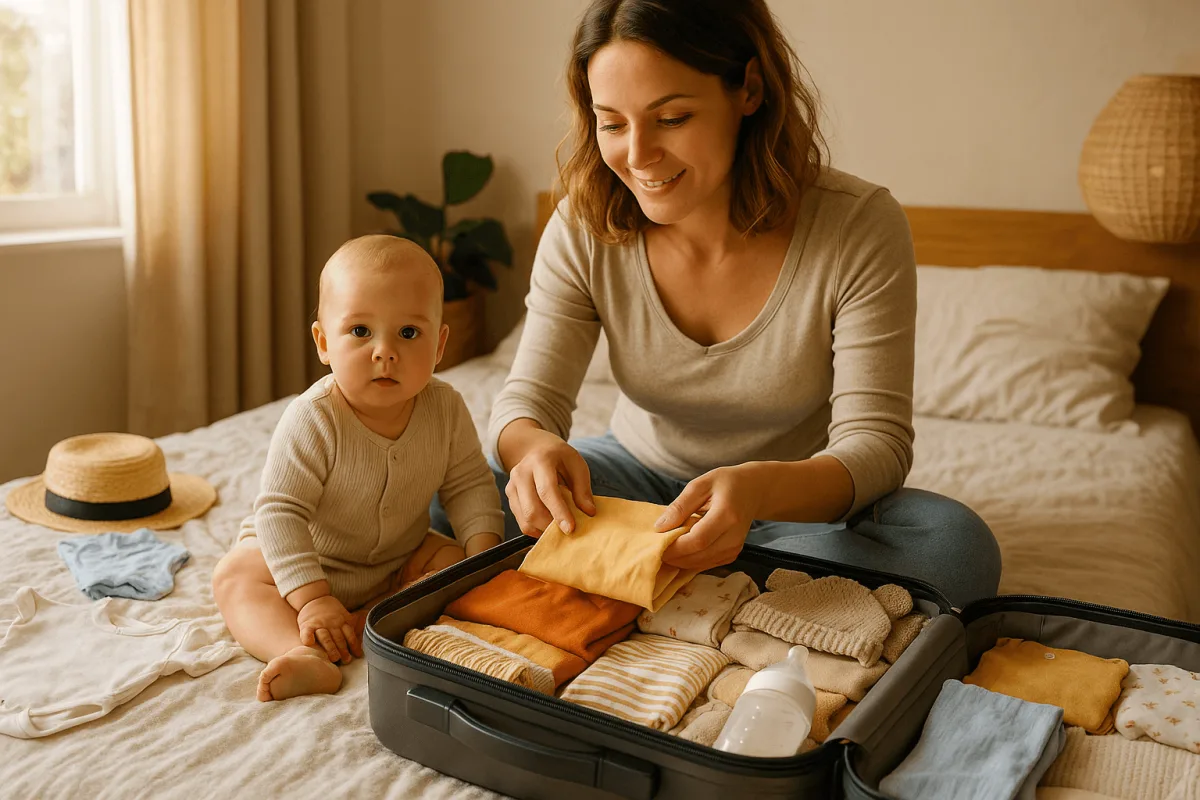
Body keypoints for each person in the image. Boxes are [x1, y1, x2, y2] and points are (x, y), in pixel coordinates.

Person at [485, 0, 1001, 609]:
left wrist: (755, 493)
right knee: (463, 488)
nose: (638, 155)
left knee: (954, 548)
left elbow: (876, 445)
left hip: (795, 502)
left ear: (749, 89)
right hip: (639, 480)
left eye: (671, 117)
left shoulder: (857, 225)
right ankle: (740, 582)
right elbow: (529, 402)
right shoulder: (584, 222)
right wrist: (534, 449)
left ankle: (651, 571)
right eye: (612, 124)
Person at [213, 235, 504, 702]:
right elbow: (280, 514)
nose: (384, 352)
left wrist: (482, 558)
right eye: (361, 332)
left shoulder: (445, 408)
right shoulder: (314, 417)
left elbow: (468, 484)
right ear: (324, 343)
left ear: (439, 344)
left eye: (409, 334)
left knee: (449, 565)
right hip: (306, 559)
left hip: (395, 561)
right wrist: (311, 597)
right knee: (235, 577)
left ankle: (369, 617)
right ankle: (303, 652)